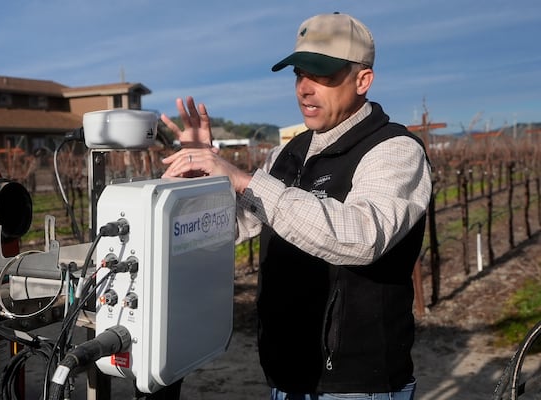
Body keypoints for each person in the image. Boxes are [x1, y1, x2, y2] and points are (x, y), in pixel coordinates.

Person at [160, 12, 432, 400]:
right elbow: (233, 227)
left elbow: (362, 237)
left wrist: (245, 180)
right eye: (299, 74)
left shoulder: (394, 151)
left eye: (322, 75)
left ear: (363, 80)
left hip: (356, 384)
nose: (305, 88)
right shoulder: (287, 154)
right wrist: (201, 183)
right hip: (285, 375)